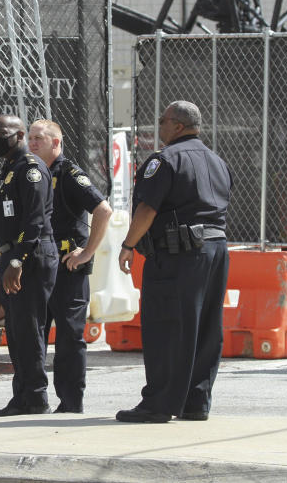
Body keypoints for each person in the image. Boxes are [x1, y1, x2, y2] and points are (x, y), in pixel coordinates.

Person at [116, 100, 231, 423]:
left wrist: (129, 244)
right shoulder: (217, 161)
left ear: (178, 125)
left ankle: (159, 403)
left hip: (178, 254)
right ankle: (196, 401)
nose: (160, 125)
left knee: (167, 326)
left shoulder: (165, 161)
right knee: (207, 327)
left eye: (163, 120)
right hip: (216, 250)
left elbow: (147, 209)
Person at [27, 119, 112, 414]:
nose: (32, 143)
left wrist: (87, 252)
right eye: (30, 138)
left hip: (67, 267)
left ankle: (71, 402)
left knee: (69, 337)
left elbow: (103, 210)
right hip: (40, 266)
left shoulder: (69, 174)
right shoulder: (33, 174)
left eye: (39, 138)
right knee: (34, 333)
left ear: (56, 143)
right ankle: (33, 399)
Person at [0, 115, 58, 417]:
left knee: (29, 330)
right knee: (15, 331)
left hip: (29, 257)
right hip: (13, 256)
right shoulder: (11, 170)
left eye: (1, 133)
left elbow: (34, 221)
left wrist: (16, 260)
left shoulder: (31, 170)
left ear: (18, 136)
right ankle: (23, 396)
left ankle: (37, 397)